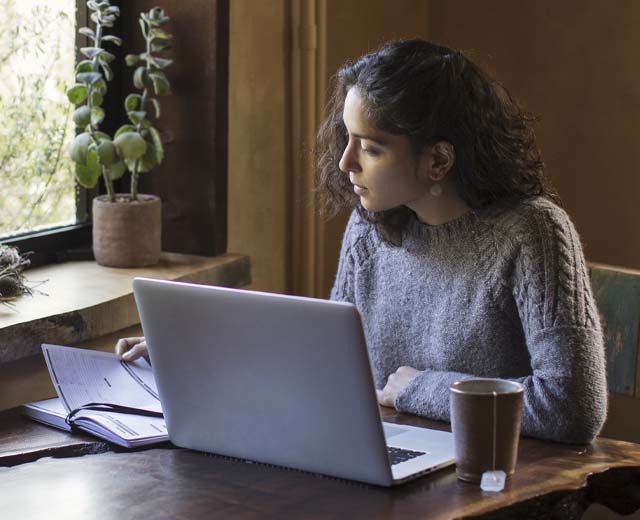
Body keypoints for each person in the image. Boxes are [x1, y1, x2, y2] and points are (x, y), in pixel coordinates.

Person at [118, 39, 607, 444]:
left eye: (371, 147)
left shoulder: (533, 234)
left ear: (438, 161)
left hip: (495, 480)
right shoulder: (370, 228)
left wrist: (421, 388)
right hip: (389, 458)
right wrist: (197, 353)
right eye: (348, 138)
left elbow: (572, 408)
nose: (345, 162)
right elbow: (333, 366)